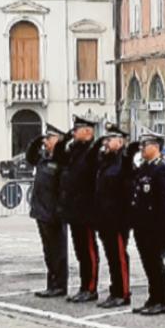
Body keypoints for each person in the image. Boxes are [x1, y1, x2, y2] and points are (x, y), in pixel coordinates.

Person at [129, 133, 165, 316]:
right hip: (142, 224)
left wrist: (163, 227)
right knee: (148, 263)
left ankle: (162, 301)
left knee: (156, 264)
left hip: (155, 226)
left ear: (155, 147)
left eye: (145, 145)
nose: (142, 149)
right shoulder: (145, 167)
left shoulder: (161, 168)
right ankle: (153, 298)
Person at [56, 117, 103, 303]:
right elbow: (59, 156)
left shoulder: (93, 152)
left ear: (88, 132)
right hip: (74, 209)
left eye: (77, 130)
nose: (74, 133)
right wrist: (66, 138)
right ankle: (84, 286)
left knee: (89, 251)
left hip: (87, 210)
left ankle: (90, 288)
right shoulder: (75, 150)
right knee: (80, 251)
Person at [91, 125, 136, 310]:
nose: (106, 143)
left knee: (119, 257)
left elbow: (127, 191)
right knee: (111, 257)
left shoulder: (124, 162)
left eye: (110, 140)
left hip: (117, 219)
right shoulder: (106, 161)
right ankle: (114, 290)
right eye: (105, 140)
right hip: (104, 218)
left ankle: (122, 293)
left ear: (120, 141)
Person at [26, 126, 69, 298]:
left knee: (58, 252)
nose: (46, 141)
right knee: (49, 252)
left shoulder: (62, 160)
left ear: (58, 140)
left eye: (49, 138)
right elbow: (30, 157)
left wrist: (60, 210)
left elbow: (64, 188)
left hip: (54, 213)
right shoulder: (43, 158)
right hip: (41, 211)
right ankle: (52, 284)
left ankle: (60, 285)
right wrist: (37, 140)